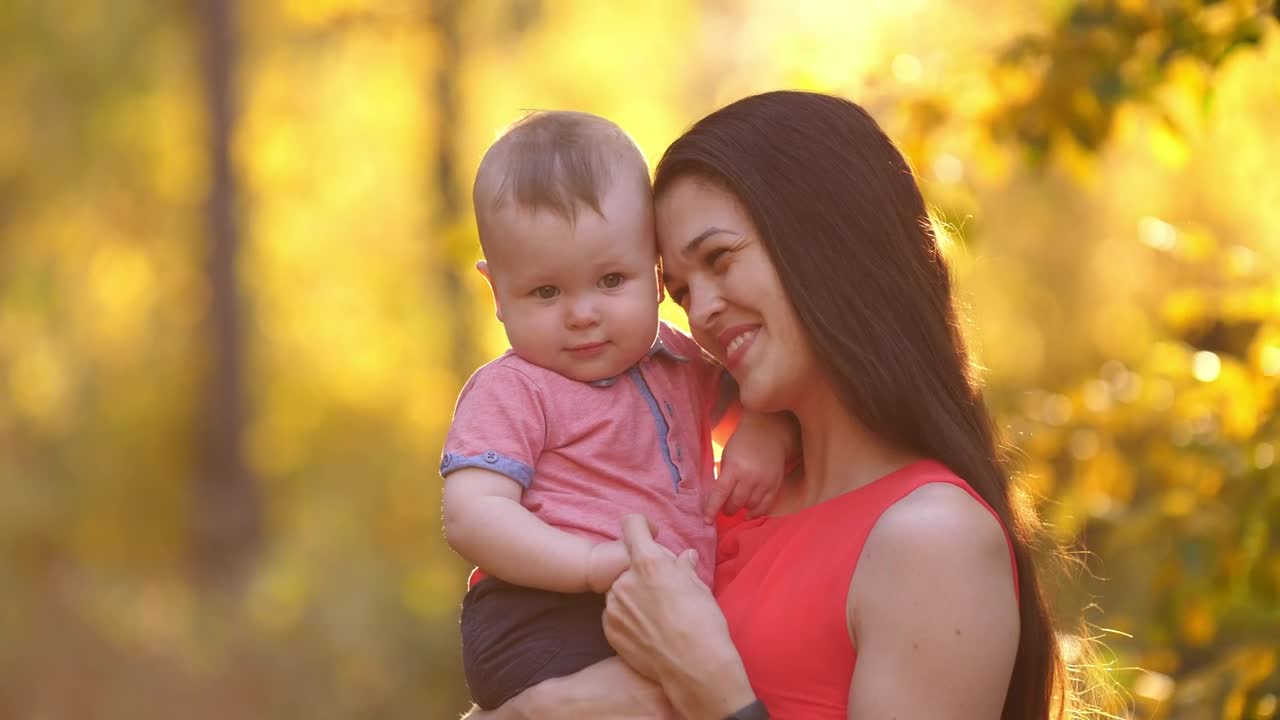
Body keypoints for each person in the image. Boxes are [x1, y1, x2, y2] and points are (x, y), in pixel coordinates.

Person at [476, 91, 1078, 719]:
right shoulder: (725, 505)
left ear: (829, 243)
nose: (701, 311)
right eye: (679, 290)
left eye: (720, 260)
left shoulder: (933, 539)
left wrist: (711, 686)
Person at [441, 110, 798, 711]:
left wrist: (765, 430)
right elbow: (472, 516)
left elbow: (760, 398)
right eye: (546, 292)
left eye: (610, 280)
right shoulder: (516, 389)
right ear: (497, 293)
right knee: (660, 702)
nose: (582, 314)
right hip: (544, 609)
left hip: (651, 599)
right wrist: (585, 563)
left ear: (656, 276)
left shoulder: (678, 363)